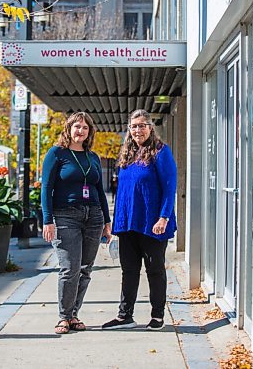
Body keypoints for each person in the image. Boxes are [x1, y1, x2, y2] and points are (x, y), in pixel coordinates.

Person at [102, 109, 177, 331]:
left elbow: (169, 186)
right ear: (129, 130)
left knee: (155, 270)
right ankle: (125, 315)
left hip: (152, 223)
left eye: (142, 125)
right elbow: (124, 190)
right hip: (128, 224)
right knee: (129, 270)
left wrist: (163, 217)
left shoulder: (161, 152)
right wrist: (116, 224)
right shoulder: (127, 152)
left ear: (150, 127)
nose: (138, 130)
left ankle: (157, 316)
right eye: (134, 126)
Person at [41, 112, 111, 335]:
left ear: (90, 132)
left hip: (94, 216)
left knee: (85, 269)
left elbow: (100, 191)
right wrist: (47, 220)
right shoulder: (57, 153)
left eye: (85, 128)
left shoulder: (93, 157)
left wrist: (107, 222)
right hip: (65, 216)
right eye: (76, 126)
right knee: (69, 268)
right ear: (68, 128)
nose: (80, 131)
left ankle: (73, 314)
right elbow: (46, 188)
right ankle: (63, 317)